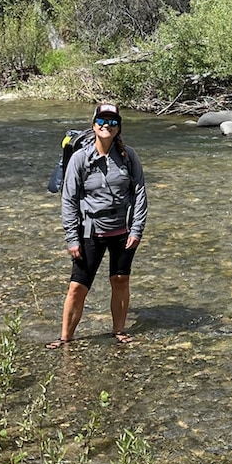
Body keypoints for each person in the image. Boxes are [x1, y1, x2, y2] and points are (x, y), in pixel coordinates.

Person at [48, 101, 147, 346]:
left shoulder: (128, 156)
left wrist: (137, 229)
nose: (107, 126)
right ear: (94, 125)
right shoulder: (80, 158)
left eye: (113, 122)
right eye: (102, 121)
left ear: (118, 128)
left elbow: (140, 193)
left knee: (121, 280)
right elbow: (69, 199)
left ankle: (119, 331)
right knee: (77, 287)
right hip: (89, 232)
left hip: (122, 230)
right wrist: (72, 238)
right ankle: (65, 338)